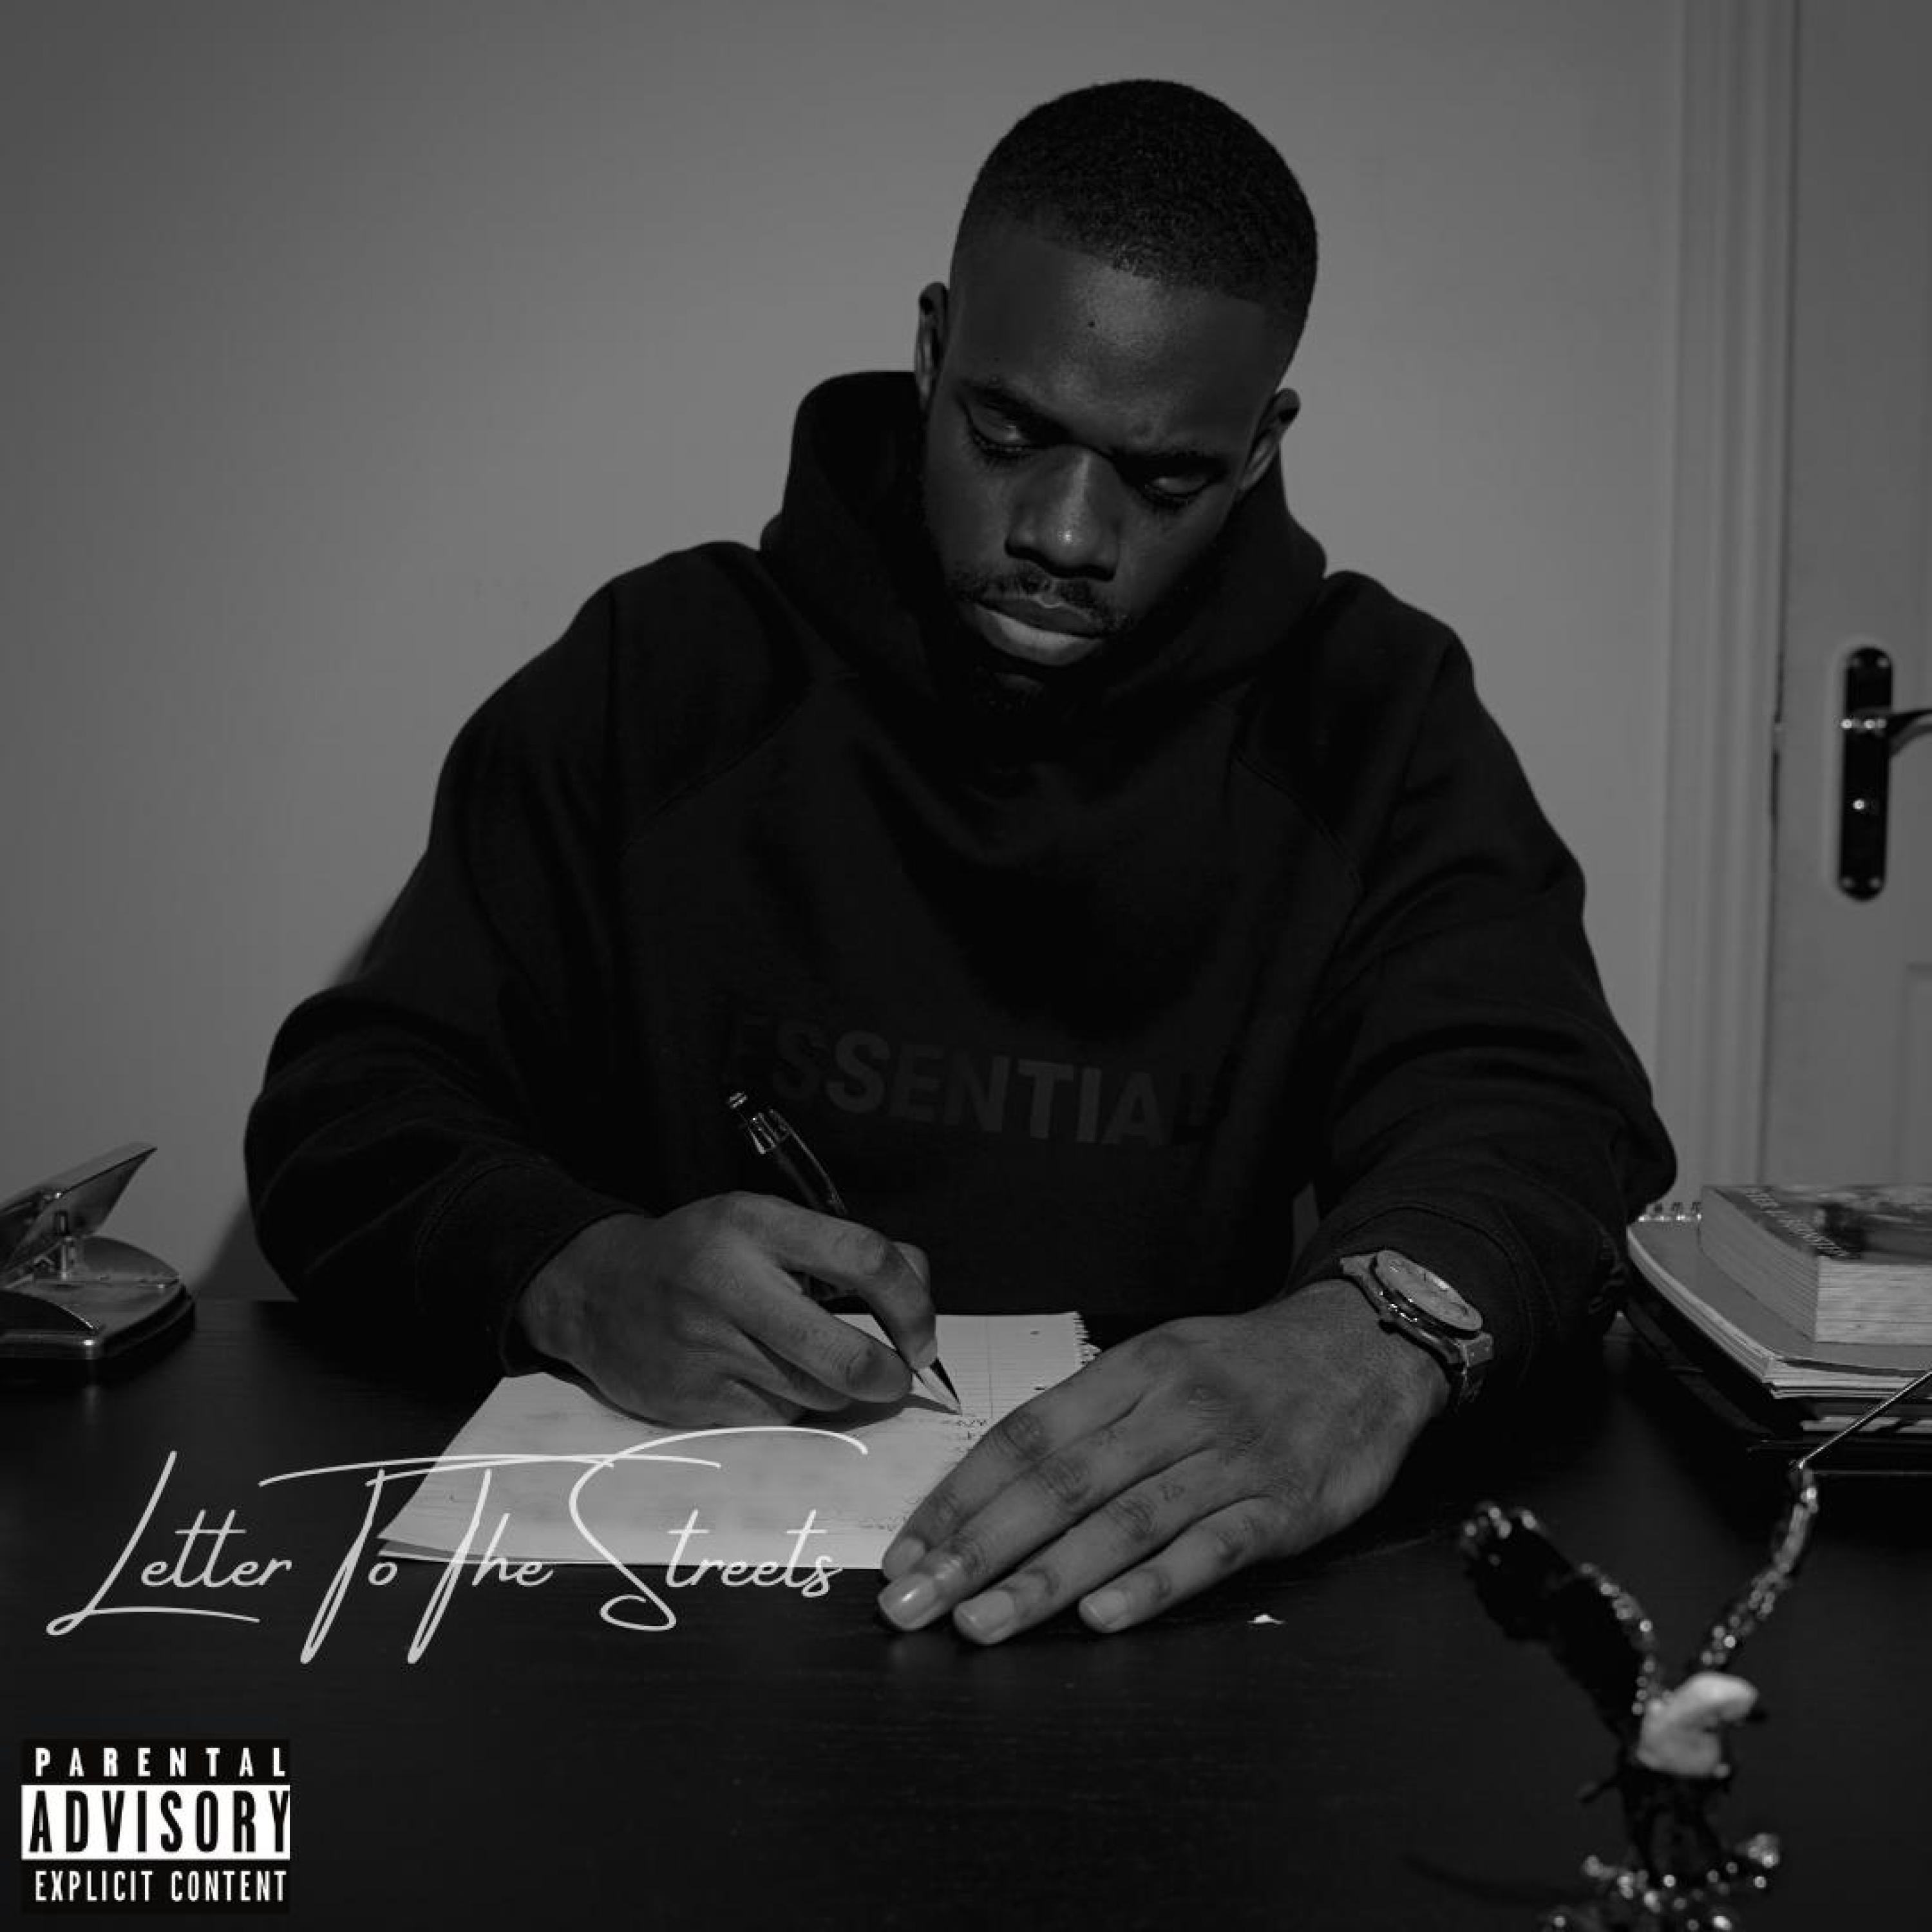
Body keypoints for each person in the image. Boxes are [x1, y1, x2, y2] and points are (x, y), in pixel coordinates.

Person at [246, 79, 1675, 1646]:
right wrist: (572, 1272)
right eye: (1009, 433)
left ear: (1261, 447)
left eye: (1163, 478)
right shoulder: (664, 677)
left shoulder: (1370, 717)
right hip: (660, 1618)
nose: (1065, 534)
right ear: (932, 353)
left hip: (1153, 1638)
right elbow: (352, 1112)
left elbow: (1540, 1115)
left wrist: (1364, 1343)